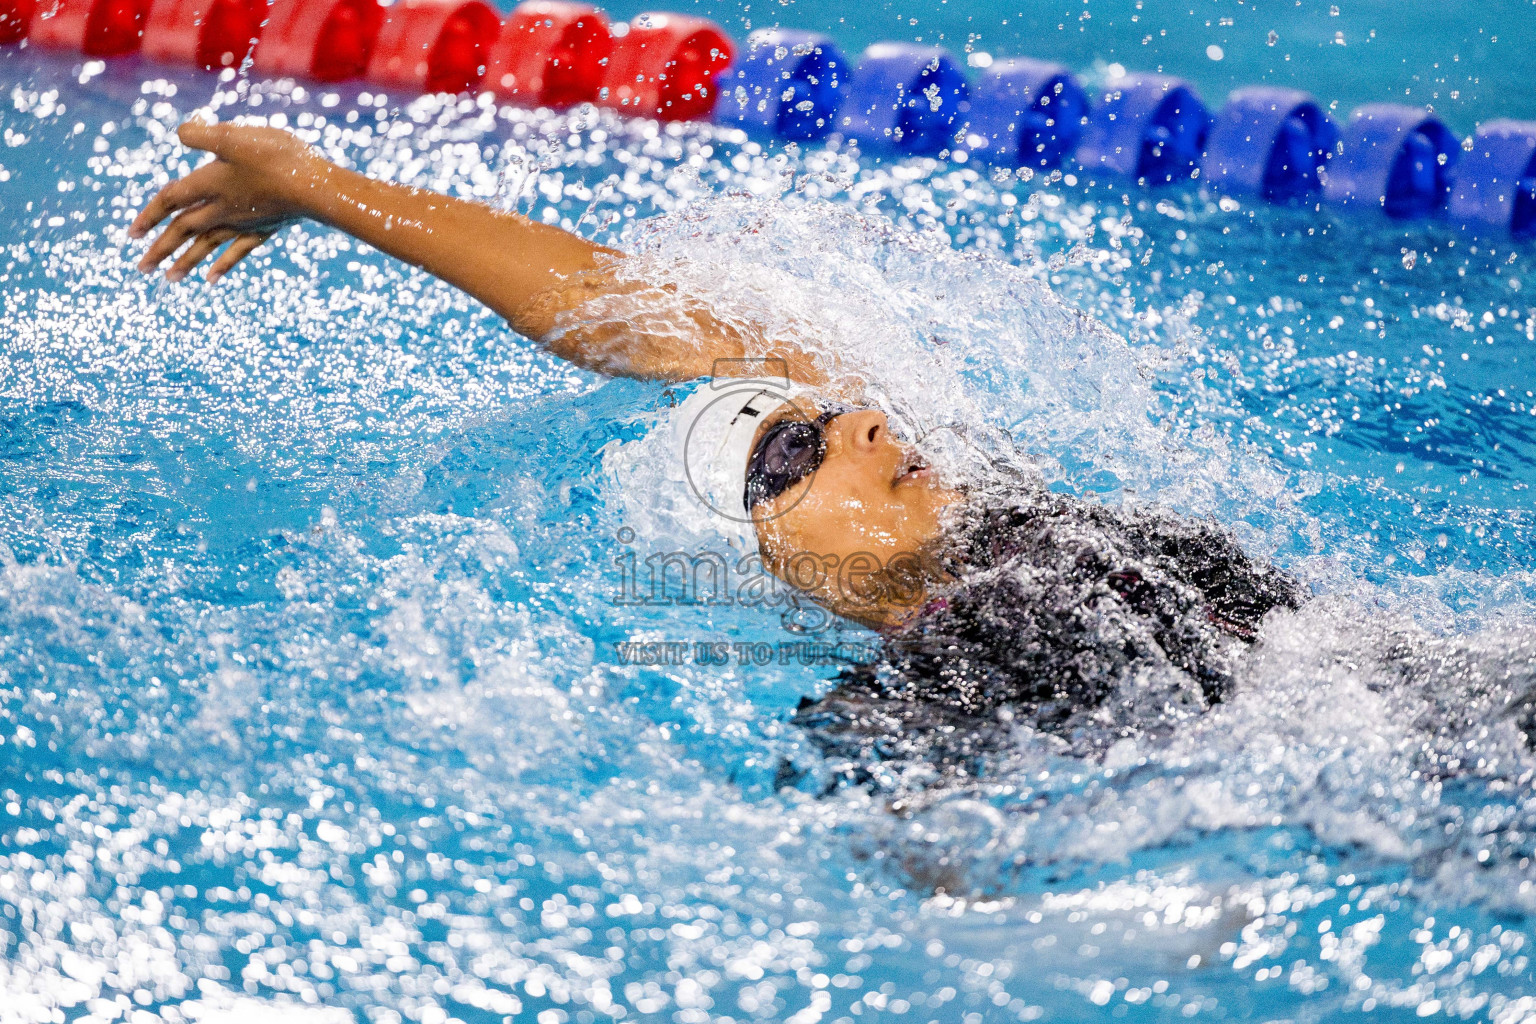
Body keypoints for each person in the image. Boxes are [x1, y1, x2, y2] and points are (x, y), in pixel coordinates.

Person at [130, 117, 1307, 775]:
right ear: (764, 562)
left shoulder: (1002, 513)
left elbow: (617, 305)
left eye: (839, 414)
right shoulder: (908, 706)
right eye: (794, 461)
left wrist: (325, 186)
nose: (859, 422)